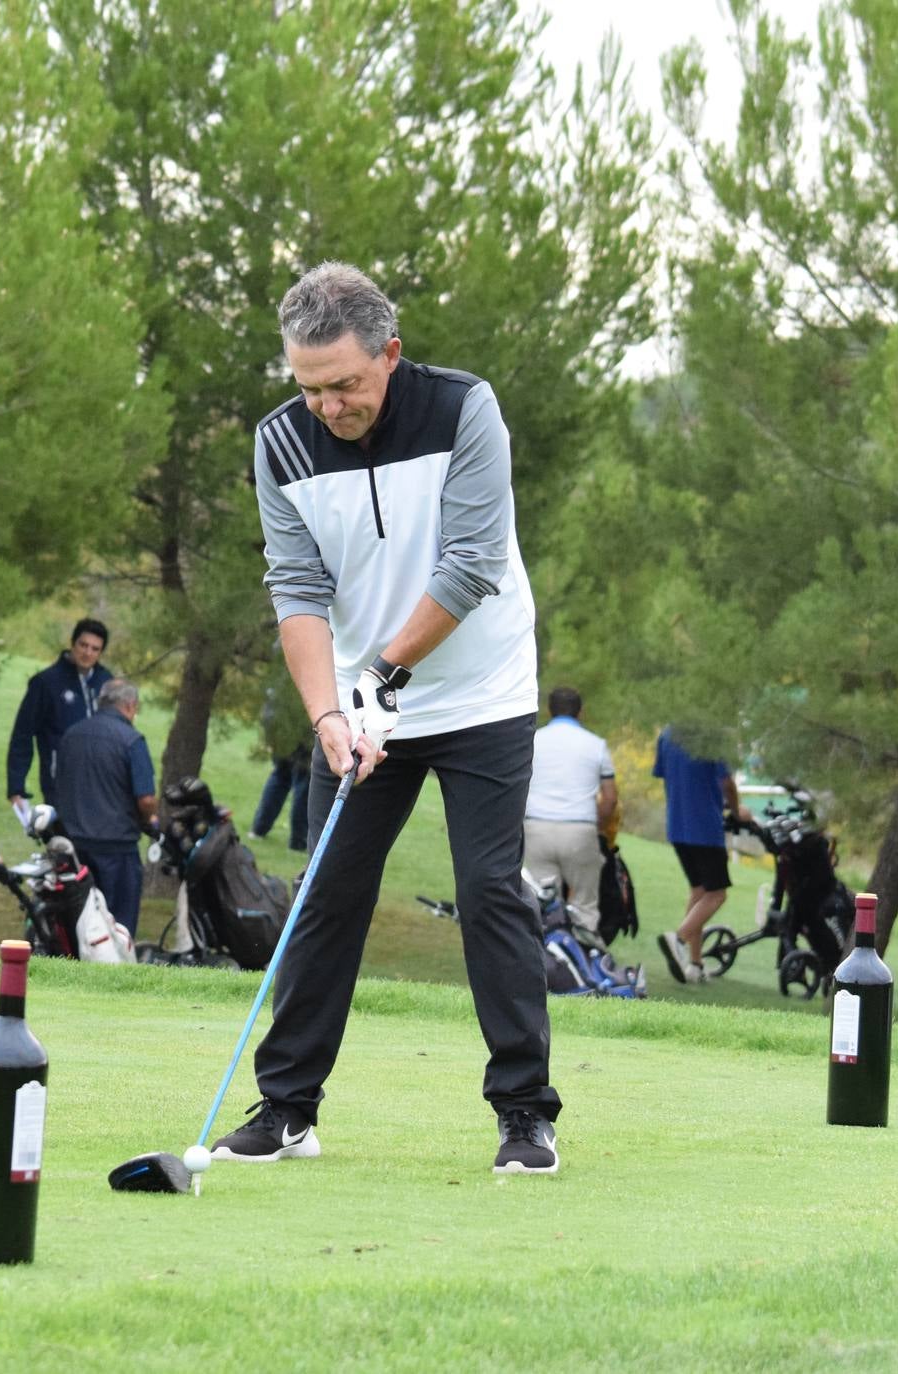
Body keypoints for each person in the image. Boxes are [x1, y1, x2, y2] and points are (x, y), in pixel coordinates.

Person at [212, 261, 560, 1175]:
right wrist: (329, 713)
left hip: (481, 692)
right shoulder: (280, 443)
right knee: (325, 896)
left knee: (488, 890)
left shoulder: (461, 409)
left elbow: (472, 561)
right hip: (364, 713)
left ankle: (524, 1114)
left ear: (390, 355)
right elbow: (295, 589)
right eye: (308, 386)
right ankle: (288, 1108)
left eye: (346, 384)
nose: (327, 405)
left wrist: (379, 672)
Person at [52, 678, 157, 936]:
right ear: (131, 706)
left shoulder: (72, 734)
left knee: (78, 924)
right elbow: (145, 798)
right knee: (116, 928)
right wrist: (151, 819)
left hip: (74, 846)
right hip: (116, 848)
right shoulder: (132, 740)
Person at [652, 724, 748, 983]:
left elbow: (665, 774)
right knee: (716, 895)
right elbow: (727, 783)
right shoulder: (712, 736)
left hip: (677, 827)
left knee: (699, 891)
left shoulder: (667, 735)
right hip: (705, 828)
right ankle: (679, 939)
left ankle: (694, 964)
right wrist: (738, 811)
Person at [522, 687, 618, 934]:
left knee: (540, 904)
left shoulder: (533, 739)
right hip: (579, 829)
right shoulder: (597, 745)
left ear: (548, 710)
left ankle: (540, 962)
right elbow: (610, 799)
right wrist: (595, 827)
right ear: (581, 712)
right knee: (585, 907)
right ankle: (581, 961)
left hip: (536, 828)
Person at [5, 617, 113, 813]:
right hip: (61, 784)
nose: (88, 653)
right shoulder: (46, 683)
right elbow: (22, 735)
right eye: (83, 645)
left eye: (95, 649)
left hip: (101, 786)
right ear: (73, 644)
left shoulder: (107, 683)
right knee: (65, 842)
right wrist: (16, 787)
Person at [249, 675, 313, 850]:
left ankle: (259, 829)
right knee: (303, 779)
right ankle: (298, 841)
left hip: (278, 718)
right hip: (298, 721)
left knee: (281, 774)